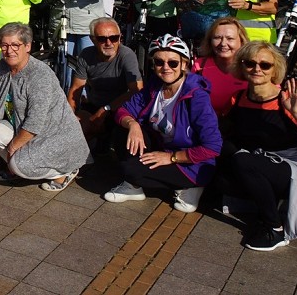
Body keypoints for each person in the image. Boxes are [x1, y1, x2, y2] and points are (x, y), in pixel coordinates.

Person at [220, 42, 297, 251]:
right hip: (261, 162)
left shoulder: (286, 100)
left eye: (265, 65)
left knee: (243, 161)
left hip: (293, 168)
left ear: (275, 70)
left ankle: (275, 229)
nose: (257, 69)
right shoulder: (239, 98)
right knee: (223, 153)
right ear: (242, 66)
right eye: (250, 63)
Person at [105, 35, 222, 213]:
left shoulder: (197, 96)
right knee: (123, 130)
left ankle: (191, 186)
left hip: (191, 163)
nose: (165, 68)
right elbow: (124, 110)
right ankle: (136, 186)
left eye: (173, 63)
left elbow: (213, 147)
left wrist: (171, 158)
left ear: (184, 64)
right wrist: (133, 125)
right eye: (159, 62)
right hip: (163, 148)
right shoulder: (154, 86)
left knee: (130, 169)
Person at [0, 23, 90, 191]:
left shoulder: (39, 75)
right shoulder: (2, 66)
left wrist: (13, 148)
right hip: (24, 128)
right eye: (4, 45)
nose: (9, 50)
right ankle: (22, 164)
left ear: (27, 46)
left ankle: (63, 172)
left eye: (15, 45)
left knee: (17, 164)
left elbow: (35, 122)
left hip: (54, 137)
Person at [67, 17, 143, 155]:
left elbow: (136, 90)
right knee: (76, 127)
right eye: (102, 39)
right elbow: (75, 89)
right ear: (92, 39)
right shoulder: (86, 55)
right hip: (94, 105)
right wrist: (70, 116)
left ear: (120, 38)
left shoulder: (126, 55)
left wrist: (105, 109)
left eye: (113, 38)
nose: (109, 43)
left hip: (120, 109)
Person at [193, 17, 248, 115]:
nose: (223, 43)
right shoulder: (199, 66)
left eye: (230, 38)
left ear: (241, 41)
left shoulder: (252, 66)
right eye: (217, 38)